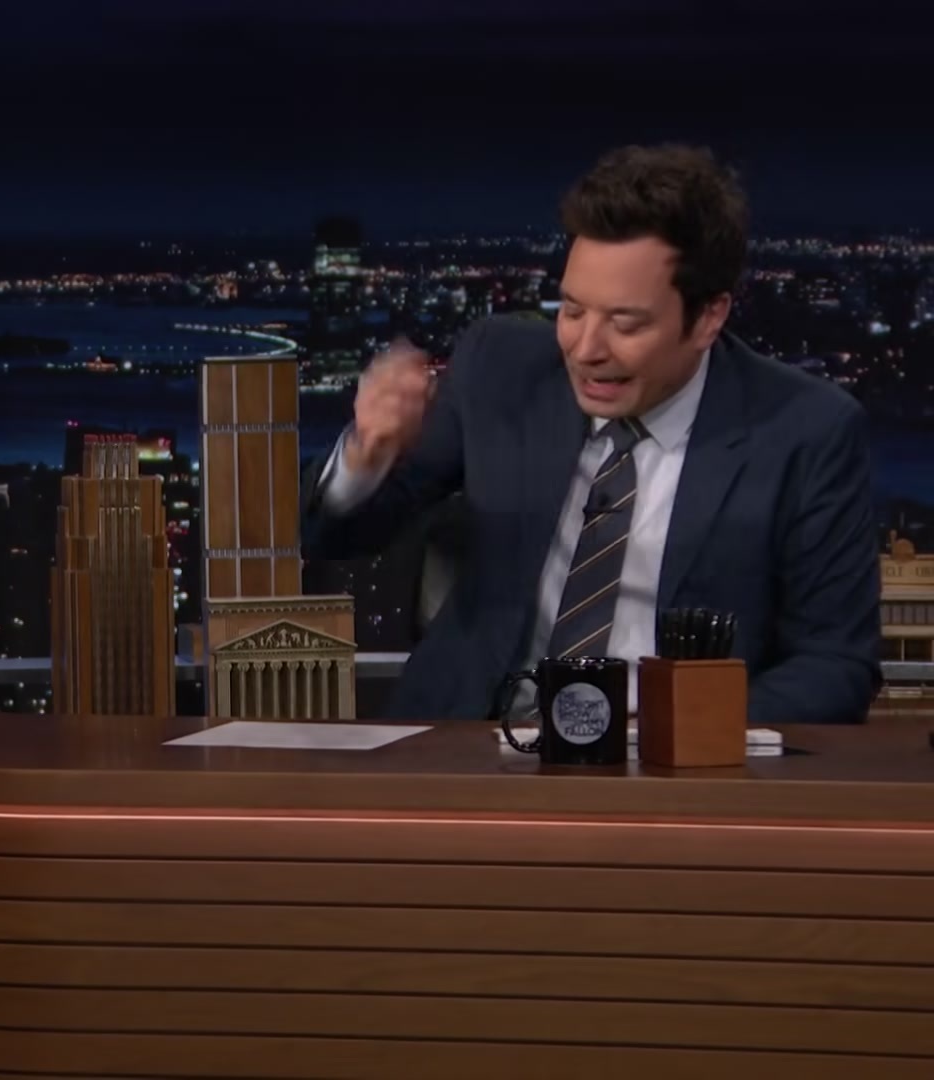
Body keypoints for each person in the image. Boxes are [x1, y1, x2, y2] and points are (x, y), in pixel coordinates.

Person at [303, 143, 882, 725]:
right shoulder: (499, 367)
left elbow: (835, 665)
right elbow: (339, 536)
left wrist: (675, 730)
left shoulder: (806, 430)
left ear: (709, 317)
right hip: (471, 737)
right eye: (573, 311)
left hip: (671, 753)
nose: (585, 350)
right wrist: (365, 458)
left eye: (625, 323)